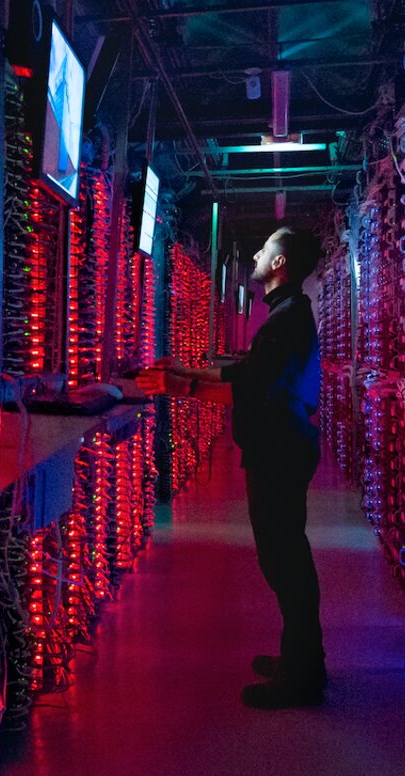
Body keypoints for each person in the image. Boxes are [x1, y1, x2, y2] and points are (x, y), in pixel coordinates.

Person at [136, 226, 326, 710]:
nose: (258, 254)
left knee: (285, 564)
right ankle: (301, 658)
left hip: (280, 451)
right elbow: (248, 371)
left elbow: (252, 387)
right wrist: (188, 371)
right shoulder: (287, 313)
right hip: (282, 448)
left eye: (265, 250)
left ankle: (300, 676)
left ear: (279, 265)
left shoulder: (288, 318)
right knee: (287, 561)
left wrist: (182, 389)